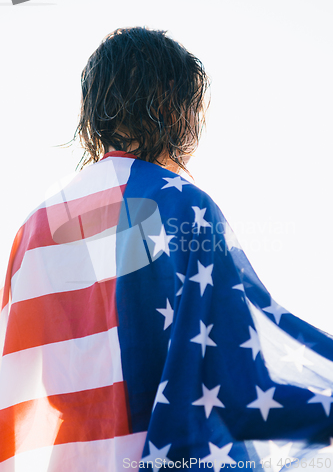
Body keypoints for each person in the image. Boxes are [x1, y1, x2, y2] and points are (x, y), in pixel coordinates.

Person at [1, 27, 333, 472]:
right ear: (172, 107)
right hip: (183, 455)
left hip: (77, 458)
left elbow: (25, 374)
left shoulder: (36, 225)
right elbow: (241, 377)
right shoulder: (184, 204)